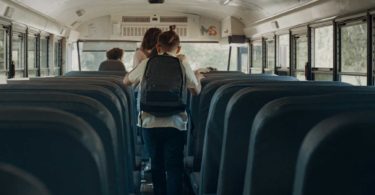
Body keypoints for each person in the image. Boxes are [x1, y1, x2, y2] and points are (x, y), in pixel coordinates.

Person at [124, 27, 204, 195]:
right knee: (174, 166)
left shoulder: (147, 62)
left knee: (156, 164)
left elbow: (126, 81)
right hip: (176, 123)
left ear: (158, 47)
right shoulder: (182, 64)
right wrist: (199, 78)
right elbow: (195, 91)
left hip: (148, 122)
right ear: (179, 48)